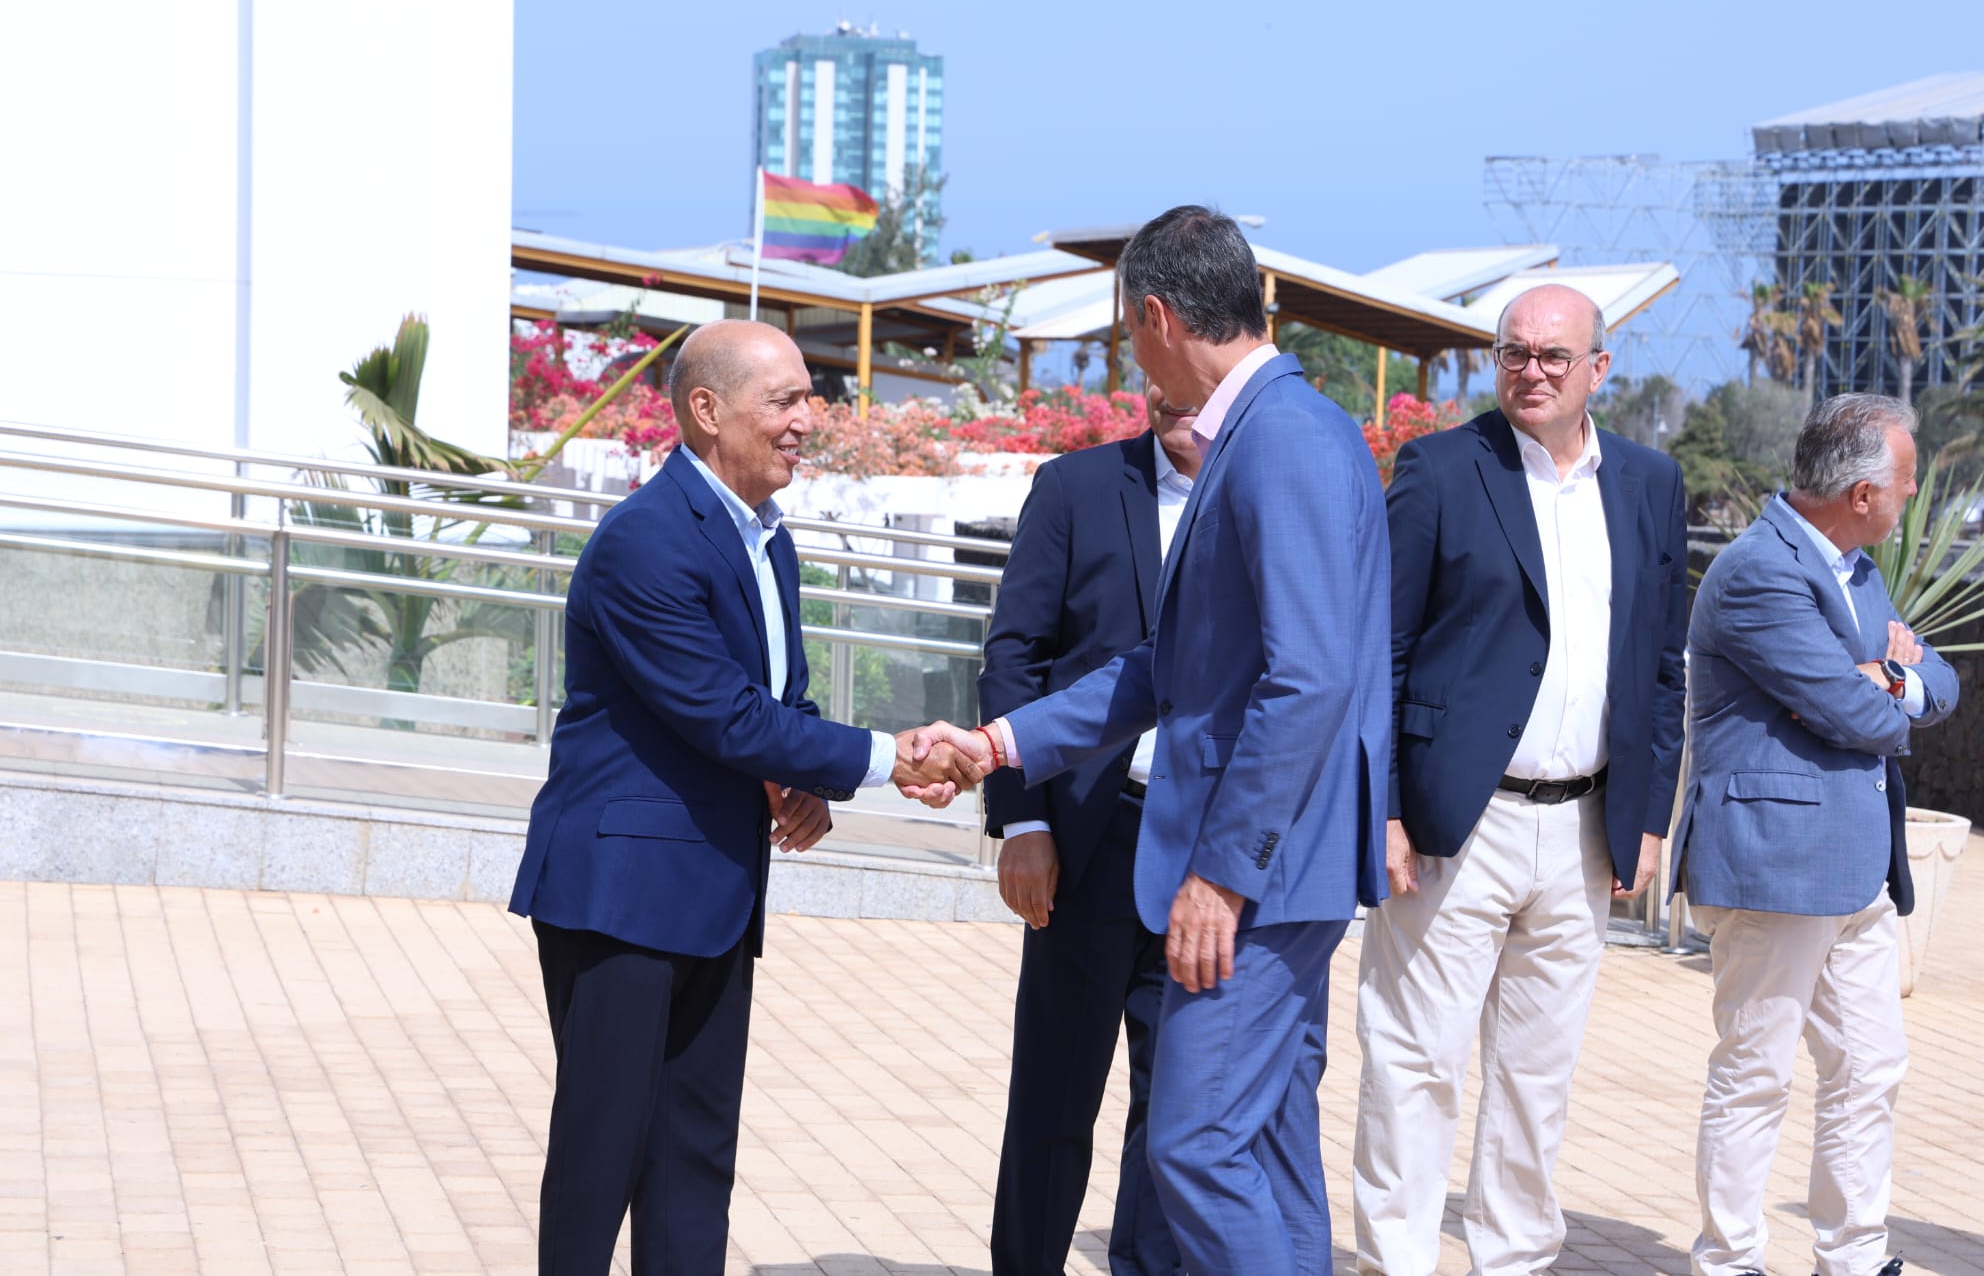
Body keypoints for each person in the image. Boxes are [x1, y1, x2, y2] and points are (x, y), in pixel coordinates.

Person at [919, 204, 1393, 1276]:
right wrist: (998, 746)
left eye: (1123, 334)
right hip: (1272, 874)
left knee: (1193, 1147)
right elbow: (1163, 670)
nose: (1129, 357)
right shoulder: (1269, 431)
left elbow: (1309, 680)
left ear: (1155, 315)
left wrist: (1221, 876)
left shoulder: (1281, 439)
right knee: (1262, 1147)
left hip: (1258, 884)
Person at [508, 319, 978, 1275]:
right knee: (604, 1153)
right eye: (787, 399)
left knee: (694, 1154)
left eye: (810, 397)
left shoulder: (771, 542)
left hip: (718, 893)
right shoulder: (645, 542)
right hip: (622, 897)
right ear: (708, 411)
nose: (810, 418)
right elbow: (725, 717)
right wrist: (890, 757)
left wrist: (798, 782)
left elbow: (775, 702)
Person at [1352, 284, 1689, 1276]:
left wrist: (1649, 815)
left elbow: (1662, 665)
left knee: (1535, 1076)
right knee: (1414, 1063)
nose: (1529, 371)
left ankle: (1512, 1260)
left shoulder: (1647, 483)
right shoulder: (1440, 469)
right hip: (1456, 822)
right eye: (1512, 353)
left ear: (1597, 369)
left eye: (1551, 356)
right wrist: (1382, 807)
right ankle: (1394, 1261)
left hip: (1585, 826)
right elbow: (1381, 648)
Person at [1675, 392, 1957, 1276]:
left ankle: (1854, 1253)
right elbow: (1847, 709)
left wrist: (1895, 679)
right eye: (1907, 483)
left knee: (1872, 1068)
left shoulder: (1856, 567)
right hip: (1773, 866)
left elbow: (1935, 681)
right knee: (1757, 1073)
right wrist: (1874, 682)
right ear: (1865, 492)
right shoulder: (1760, 569)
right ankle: (1728, 1260)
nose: (1911, 498)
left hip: (1859, 869)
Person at [980, 381, 1198, 1276]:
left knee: (1176, 1108)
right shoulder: (1075, 487)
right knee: (1055, 1091)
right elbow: (1013, 652)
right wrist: (1021, 816)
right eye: (1163, 380)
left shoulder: (1257, 498)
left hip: (1206, 852)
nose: (1179, 398)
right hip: (1087, 838)